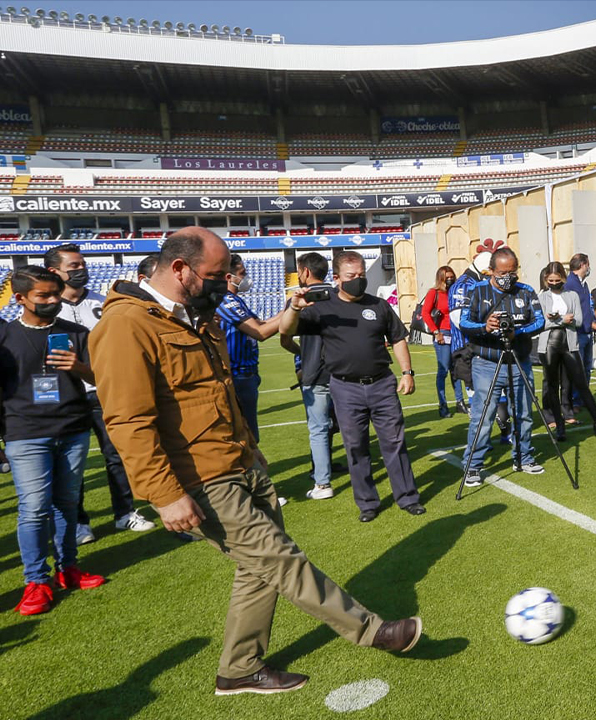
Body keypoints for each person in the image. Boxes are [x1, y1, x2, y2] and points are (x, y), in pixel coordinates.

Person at [92, 228, 423, 694]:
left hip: (240, 463)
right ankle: (371, 631)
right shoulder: (128, 324)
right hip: (201, 479)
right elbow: (127, 420)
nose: (225, 282)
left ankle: (239, 668)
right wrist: (165, 495)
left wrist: (250, 449)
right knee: (280, 560)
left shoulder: (193, 316)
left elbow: (215, 394)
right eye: (216, 274)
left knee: (259, 568)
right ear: (181, 269)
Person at [280, 251, 424, 522]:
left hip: (382, 384)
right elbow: (286, 331)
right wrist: (295, 307)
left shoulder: (379, 305)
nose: (358, 280)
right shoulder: (322, 307)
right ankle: (368, 503)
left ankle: (407, 497)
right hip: (345, 389)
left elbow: (398, 339)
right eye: (351, 276)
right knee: (355, 447)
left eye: (361, 275)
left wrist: (407, 372)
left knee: (394, 442)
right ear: (336, 278)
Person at [1, 267, 106, 616]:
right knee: (34, 508)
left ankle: (68, 569)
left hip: (74, 428)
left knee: (68, 503)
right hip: (26, 433)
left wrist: (78, 367)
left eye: (55, 294)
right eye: (43, 296)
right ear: (20, 299)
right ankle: (36, 581)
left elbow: (99, 377)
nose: (52, 301)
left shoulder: (75, 332)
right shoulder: (5, 337)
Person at [44, 243, 154, 541]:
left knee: (117, 455)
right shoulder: (47, 307)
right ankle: (79, 523)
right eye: (74, 266)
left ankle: (125, 513)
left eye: (82, 264)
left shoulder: (103, 302)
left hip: (105, 391)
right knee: (71, 463)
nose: (82, 270)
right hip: (67, 396)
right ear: (54, 272)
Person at [457, 247, 547, 486]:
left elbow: (540, 321)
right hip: (486, 362)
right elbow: (463, 322)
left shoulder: (525, 291)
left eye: (512, 271)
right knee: (483, 415)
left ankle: (523, 457)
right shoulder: (477, 291)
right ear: (491, 271)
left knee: (524, 413)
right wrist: (485, 327)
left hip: (519, 360)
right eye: (502, 273)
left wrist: (518, 332)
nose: (508, 277)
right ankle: (473, 465)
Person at [279, 252, 340, 501]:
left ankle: (322, 482)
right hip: (344, 369)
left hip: (314, 371)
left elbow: (285, 338)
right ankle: (358, 471)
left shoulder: (298, 299)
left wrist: (301, 353)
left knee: (318, 428)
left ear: (304, 272)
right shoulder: (341, 296)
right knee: (348, 424)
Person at [216, 254, 286, 441]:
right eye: (242, 273)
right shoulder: (227, 301)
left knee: (249, 433)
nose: (246, 278)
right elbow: (260, 332)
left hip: (246, 373)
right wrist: (293, 312)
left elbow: (261, 322)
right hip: (238, 374)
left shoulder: (236, 300)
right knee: (248, 436)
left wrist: (287, 310)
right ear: (229, 277)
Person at [537, 262, 596, 440]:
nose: (554, 283)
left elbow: (578, 320)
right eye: (551, 280)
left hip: (569, 343)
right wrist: (561, 319)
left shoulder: (572, 295)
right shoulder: (542, 297)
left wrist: (560, 320)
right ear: (546, 280)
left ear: (563, 277)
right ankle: (559, 425)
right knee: (552, 386)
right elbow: (540, 323)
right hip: (548, 345)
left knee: (581, 383)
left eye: (557, 279)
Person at [422, 266, 466, 418]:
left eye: (451, 276)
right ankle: (443, 405)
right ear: (440, 278)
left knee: (457, 369)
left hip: (456, 333)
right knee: (443, 370)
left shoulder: (455, 292)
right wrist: (436, 331)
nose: (450, 279)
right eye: (446, 277)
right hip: (443, 333)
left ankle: (460, 402)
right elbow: (425, 313)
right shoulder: (434, 293)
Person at [564, 254, 596, 413]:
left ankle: (584, 397)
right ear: (583, 264)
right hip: (577, 333)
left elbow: (586, 307)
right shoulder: (570, 283)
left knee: (587, 367)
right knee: (578, 369)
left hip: (587, 331)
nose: (589, 268)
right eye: (588, 264)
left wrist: (593, 322)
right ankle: (575, 401)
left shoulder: (583, 284)